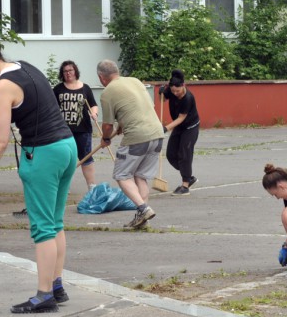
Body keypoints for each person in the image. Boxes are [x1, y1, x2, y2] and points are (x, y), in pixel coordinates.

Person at [0, 37, 76, 314]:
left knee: (43, 228)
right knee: (55, 222)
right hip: (66, 147)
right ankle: (56, 285)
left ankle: (44, 295)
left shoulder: (2, 86)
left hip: (43, 154)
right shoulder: (25, 67)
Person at [96, 59, 165, 229]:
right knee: (140, 176)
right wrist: (122, 125)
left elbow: (106, 125)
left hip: (137, 138)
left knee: (122, 175)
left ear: (101, 77)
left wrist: (106, 138)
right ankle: (143, 219)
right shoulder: (134, 81)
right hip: (157, 134)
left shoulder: (107, 92)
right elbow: (137, 107)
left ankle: (143, 208)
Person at [53, 60, 99, 191]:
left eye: (70, 70)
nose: (68, 73)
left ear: (75, 71)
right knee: (62, 159)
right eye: (65, 71)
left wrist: (94, 113)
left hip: (83, 130)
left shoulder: (85, 88)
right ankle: (59, 188)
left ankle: (92, 188)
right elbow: (51, 108)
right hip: (62, 131)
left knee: (86, 157)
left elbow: (93, 105)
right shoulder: (58, 89)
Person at [160, 69, 200, 196]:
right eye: (173, 91)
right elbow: (163, 99)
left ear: (183, 85)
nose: (175, 93)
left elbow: (181, 118)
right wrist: (161, 93)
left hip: (190, 127)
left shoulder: (188, 98)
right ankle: (188, 176)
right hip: (179, 127)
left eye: (178, 91)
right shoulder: (171, 91)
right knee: (171, 155)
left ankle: (185, 186)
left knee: (184, 155)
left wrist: (165, 128)